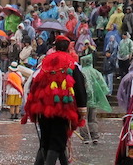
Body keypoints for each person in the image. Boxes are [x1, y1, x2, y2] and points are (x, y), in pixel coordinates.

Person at [24, 35, 88, 165]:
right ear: (69, 48)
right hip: (62, 109)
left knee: (46, 140)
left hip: (42, 108)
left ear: (55, 46)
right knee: (57, 141)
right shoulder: (72, 64)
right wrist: (82, 108)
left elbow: (33, 83)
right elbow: (79, 87)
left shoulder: (45, 62)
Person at [78, 52, 111, 145]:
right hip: (94, 100)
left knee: (83, 119)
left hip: (83, 100)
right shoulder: (96, 72)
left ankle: (85, 137)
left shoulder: (81, 72)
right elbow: (103, 86)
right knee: (92, 118)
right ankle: (94, 136)